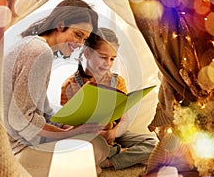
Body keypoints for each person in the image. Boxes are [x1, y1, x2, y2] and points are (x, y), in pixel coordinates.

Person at [1, 0, 110, 176]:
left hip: (16, 142)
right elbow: (19, 119)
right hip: (16, 151)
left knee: (98, 145)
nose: (80, 44)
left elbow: (40, 110)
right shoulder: (40, 52)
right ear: (60, 25)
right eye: (78, 34)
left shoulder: (32, 44)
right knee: (95, 149)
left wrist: (68, 122)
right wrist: (65, 133)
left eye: (84, 39)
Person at [60, 27, 158, 170]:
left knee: (153, 143)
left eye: (112, 59)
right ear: (87, 53)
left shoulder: (118, 82)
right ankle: (116, 152)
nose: (108, 63)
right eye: (103, 57)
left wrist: (112, 133)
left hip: (113, 134)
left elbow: (124, 120)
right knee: (81, 146)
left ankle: (109, 161)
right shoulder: (70, 85)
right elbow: (65, 125)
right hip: (87, 136)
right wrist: (89, 132)